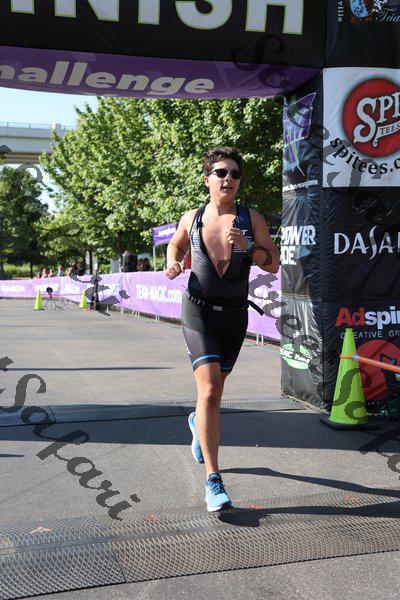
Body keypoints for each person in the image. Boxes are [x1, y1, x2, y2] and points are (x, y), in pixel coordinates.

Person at [166, 147, 279, 512]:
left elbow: (273, 264)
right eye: (221, 172)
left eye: (234, 173)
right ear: (207, 180)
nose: (228, 178)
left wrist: (249, 247)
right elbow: (175, 244)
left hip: (234, 316)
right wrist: (173, 263)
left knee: (214, 392)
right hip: (197, 311)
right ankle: (214, 480)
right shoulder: (192, 217)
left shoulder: (251, 218)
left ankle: (197, 422)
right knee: (211, 390)